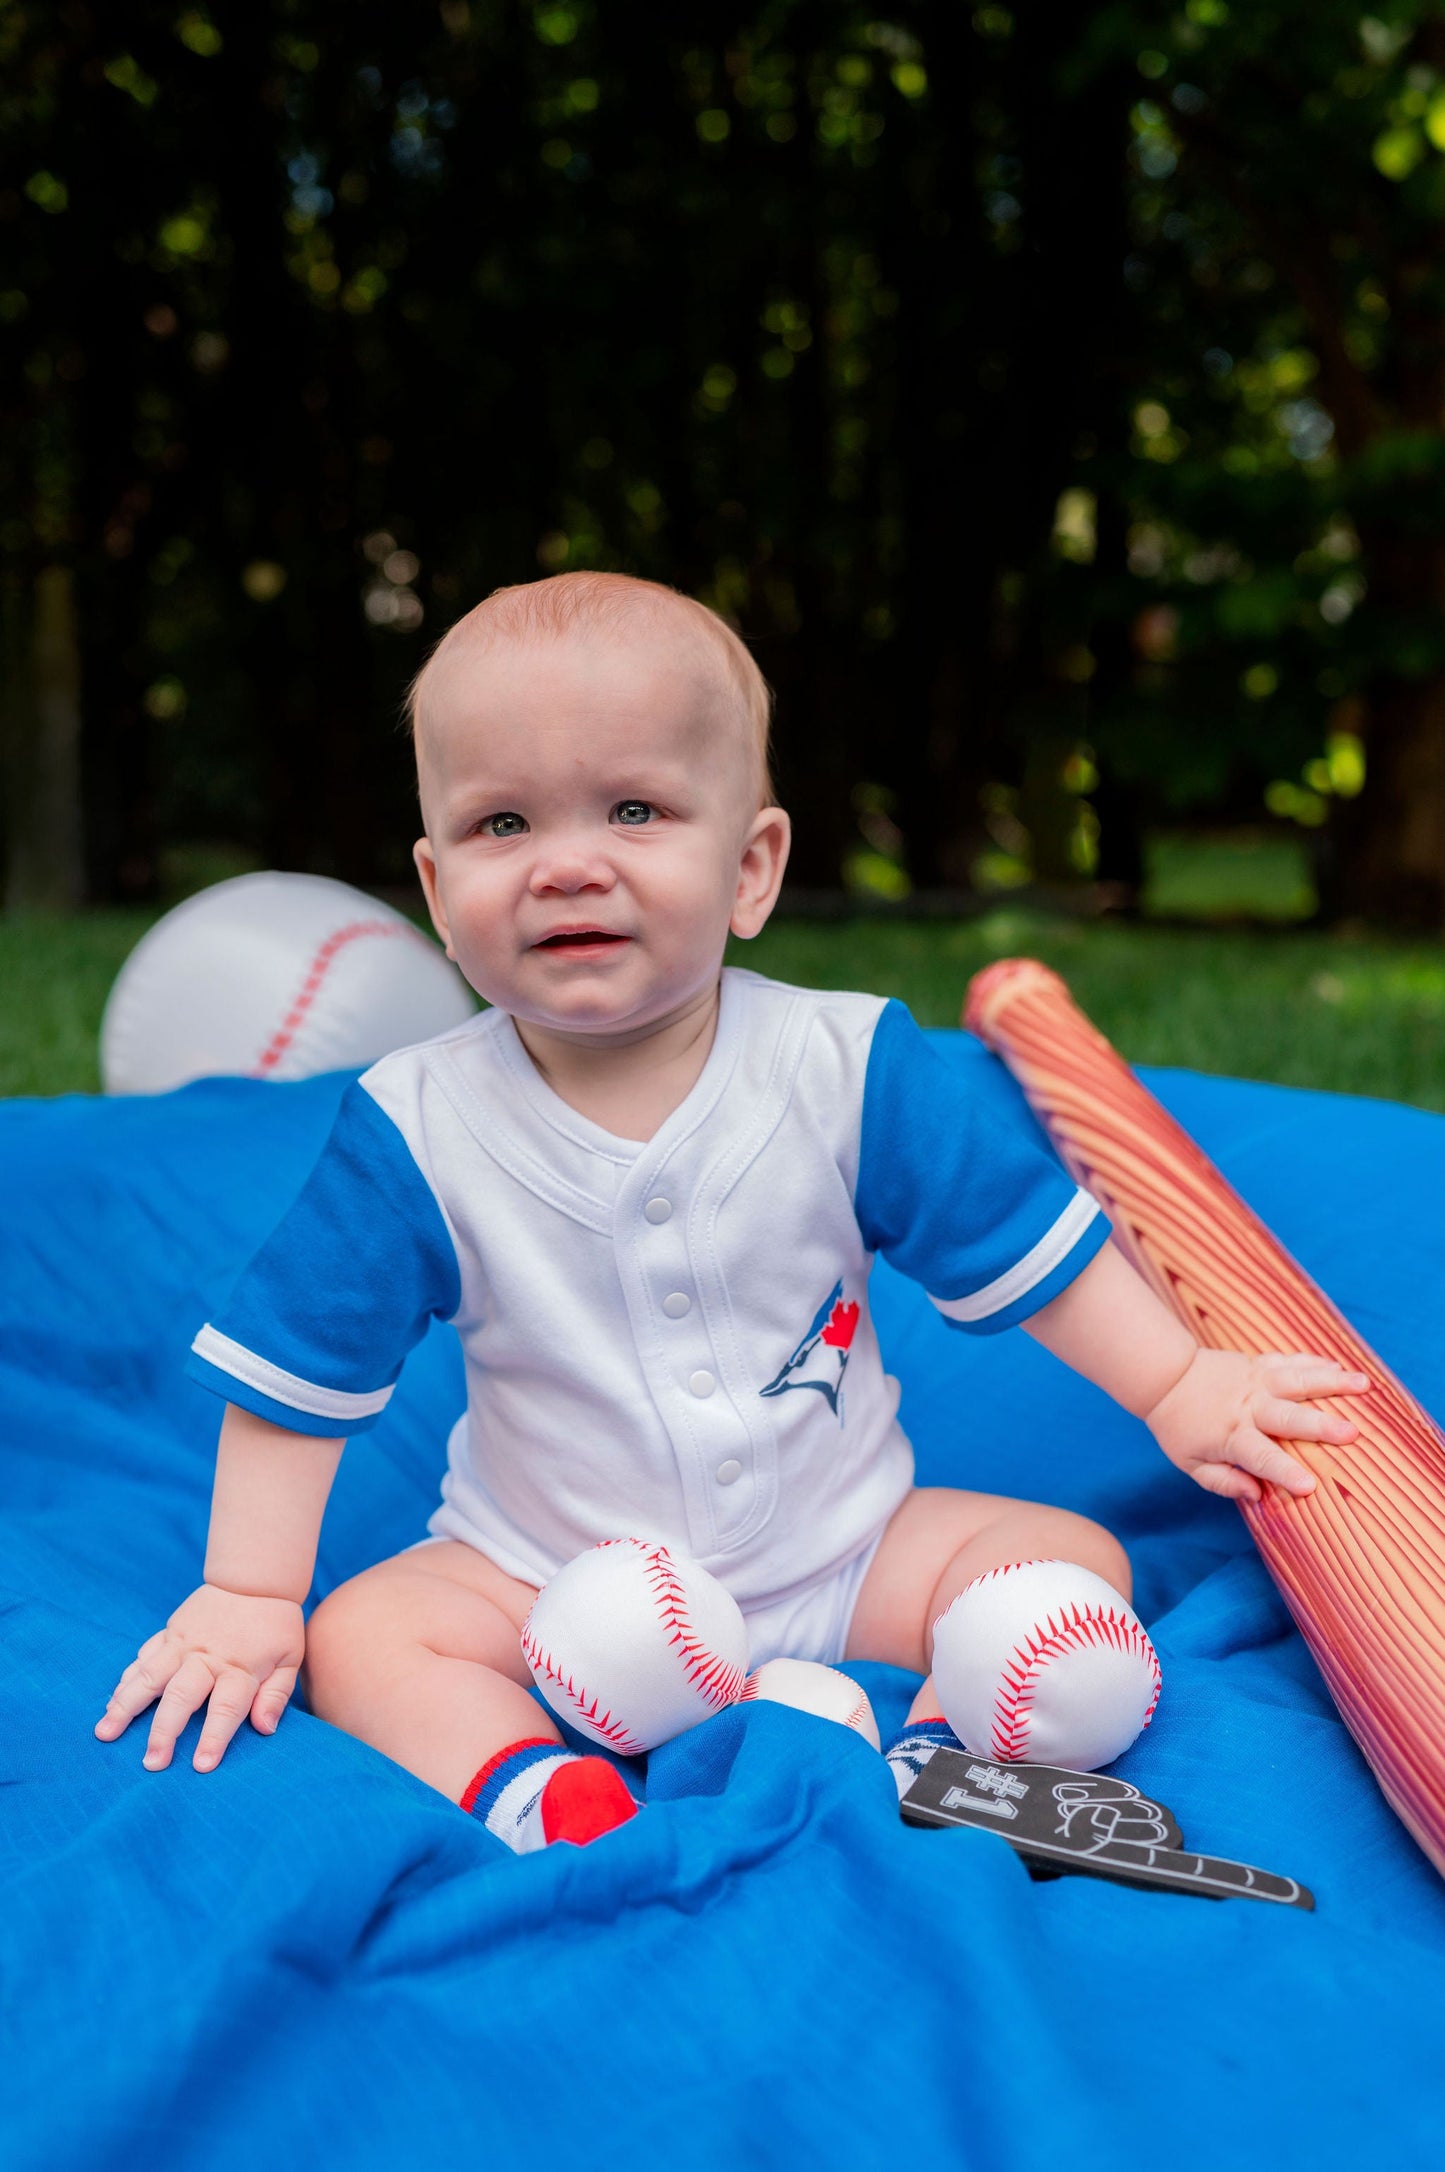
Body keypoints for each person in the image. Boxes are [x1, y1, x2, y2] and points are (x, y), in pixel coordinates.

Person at [95, 572, 1369, 1853]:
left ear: (751, 866)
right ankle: (546, 1795)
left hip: (851, 1548)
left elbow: (1025, 1249)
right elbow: (298, 1368)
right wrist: (245, 1590)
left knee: (1067, 1560)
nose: (567, 865)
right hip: (543, 1572)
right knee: (364, 1636)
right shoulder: (413, 1127)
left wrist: (1173, 1387)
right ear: (434, 893)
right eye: (501, 825)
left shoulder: (846, 1066)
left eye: (634, 809)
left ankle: (936, 1742)